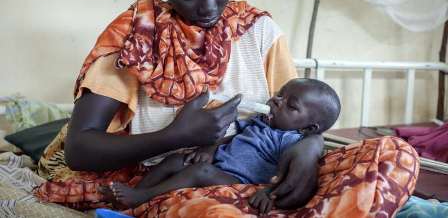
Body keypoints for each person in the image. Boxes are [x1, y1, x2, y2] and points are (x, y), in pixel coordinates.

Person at [34, 0, 419, 217]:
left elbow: (298, 117)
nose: (209, 6)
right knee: (214, 212)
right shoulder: (134, 39)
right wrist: (174, 136)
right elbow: (80, 150)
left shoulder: (259, 31)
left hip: (263, 173)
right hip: (177, 179)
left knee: (395, 157)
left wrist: (311, 148)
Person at [99, 78, 341, 214]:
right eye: (279, 94)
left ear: (308, 128)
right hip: (219, 163)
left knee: (198, 172)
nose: (276, 101)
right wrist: (209, 149)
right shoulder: (260, 121)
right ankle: (127, 204)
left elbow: (284, 177)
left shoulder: (292, 142)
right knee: (176, 160)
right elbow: (231, 138)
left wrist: (268, 194)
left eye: (290, 105)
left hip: (238, 181)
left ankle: (139, 197)